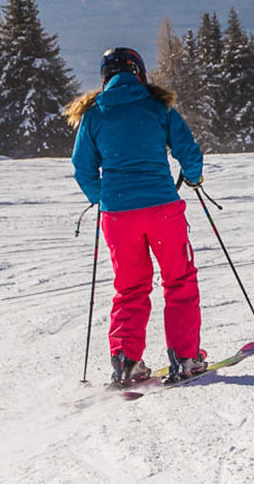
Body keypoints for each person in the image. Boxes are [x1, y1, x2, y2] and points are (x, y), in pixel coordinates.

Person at [66, 47, 208, 385]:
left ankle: (126, 362)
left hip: (118, 217)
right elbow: (188, 151)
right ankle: (186, 359)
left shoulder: (94, 113)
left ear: (105, 78)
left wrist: (103, 197)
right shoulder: (158, 106)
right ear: (139, 72)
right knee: (179, 281)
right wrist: (193, 177)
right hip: (162, 210)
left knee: (130, 288)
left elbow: (82, 167)